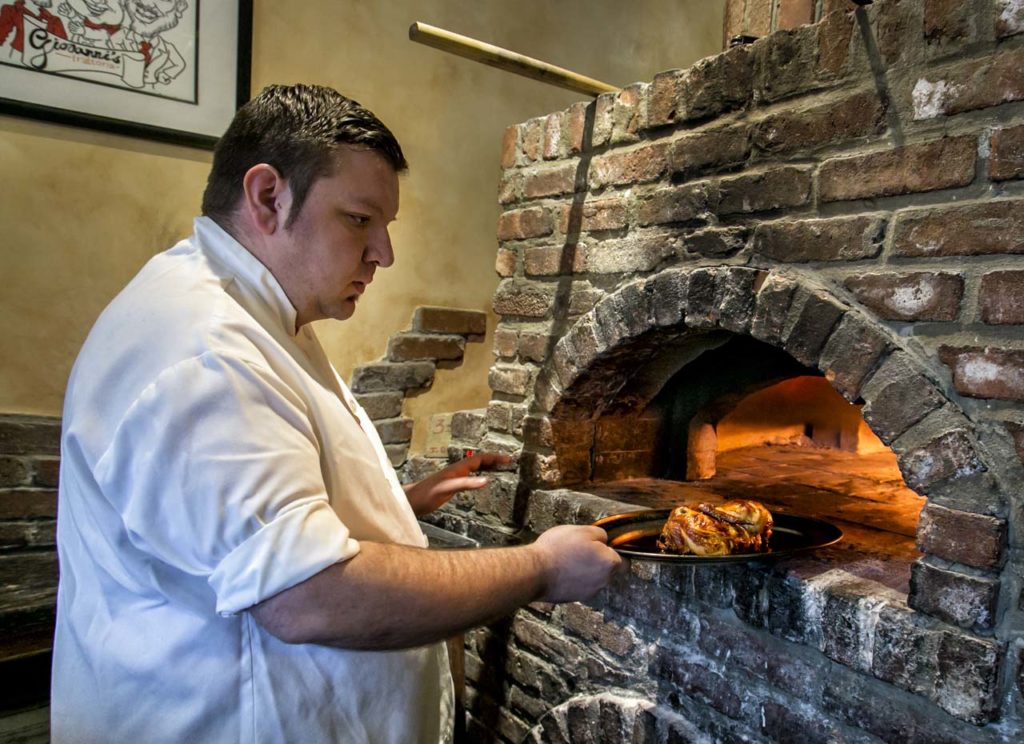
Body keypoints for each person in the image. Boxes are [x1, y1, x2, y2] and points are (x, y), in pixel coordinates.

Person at [51, 83, 623, 743]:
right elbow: (310, 596)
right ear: (268, 196)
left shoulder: (256, 313)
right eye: (358, 219)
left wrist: (401, 503)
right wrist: (542, 568)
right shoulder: (205, 349)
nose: (384, 253)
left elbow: (247, 522)